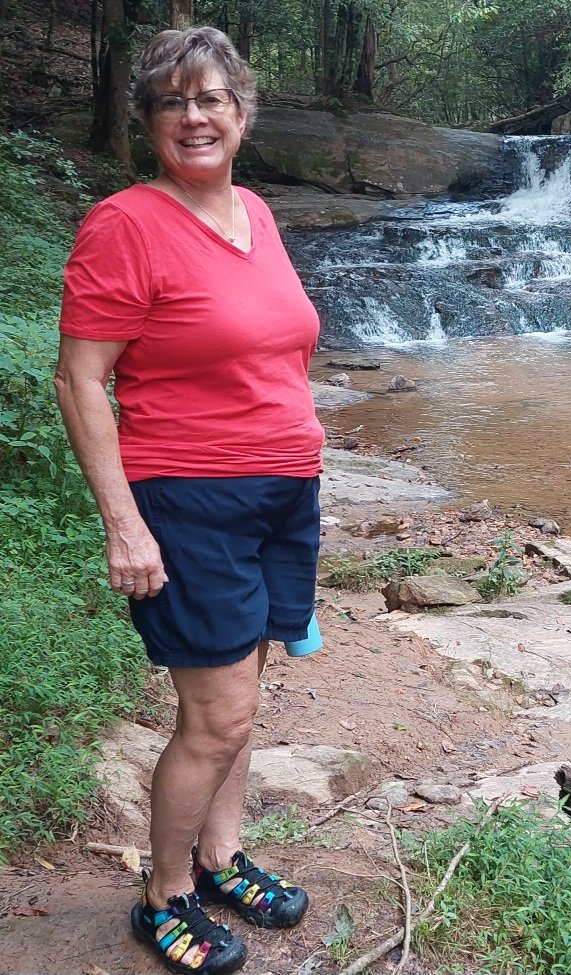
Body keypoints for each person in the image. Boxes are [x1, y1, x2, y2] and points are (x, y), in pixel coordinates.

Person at [55, 26, 324, 975]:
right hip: (190, 499)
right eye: (173, 101)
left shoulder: (256, 211)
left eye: (211, 98)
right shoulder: (126, 224)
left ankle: (220, 854)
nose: (194, 116)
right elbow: (80, 379)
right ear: (147, 122)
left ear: (243, 114)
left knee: (240, 697)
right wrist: (124, 522)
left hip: (282, 491)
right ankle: (164, 894)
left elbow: (274, 347)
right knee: (216, 716)